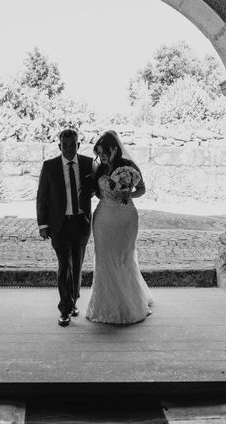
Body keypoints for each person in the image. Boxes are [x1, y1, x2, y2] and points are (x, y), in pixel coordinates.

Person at [85, 130, 154, 324]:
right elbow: (98, 193)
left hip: (125, 217)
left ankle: (128, 303)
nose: (101, 157)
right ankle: (104, 305)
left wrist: (127, 195)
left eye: (104, 153)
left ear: (114, 149)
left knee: (124, 257)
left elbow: (142, 189)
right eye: (98, 154)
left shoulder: (128, 167)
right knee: (104, 258)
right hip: (104, 218)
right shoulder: (99, 169)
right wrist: (107, 198)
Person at [36, 129, 94, 327]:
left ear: (78, 145)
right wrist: (43, 224)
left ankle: (74, 301)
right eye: (65, 145)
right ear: (59, 146)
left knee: (77, 266)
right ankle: (64, 309)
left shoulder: (88, 164)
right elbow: (42, 196)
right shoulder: (50, 166)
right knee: (64, 266)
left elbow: (97, 187)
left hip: (81, 223)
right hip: (59, 225)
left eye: (73, 144)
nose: (69, 148)